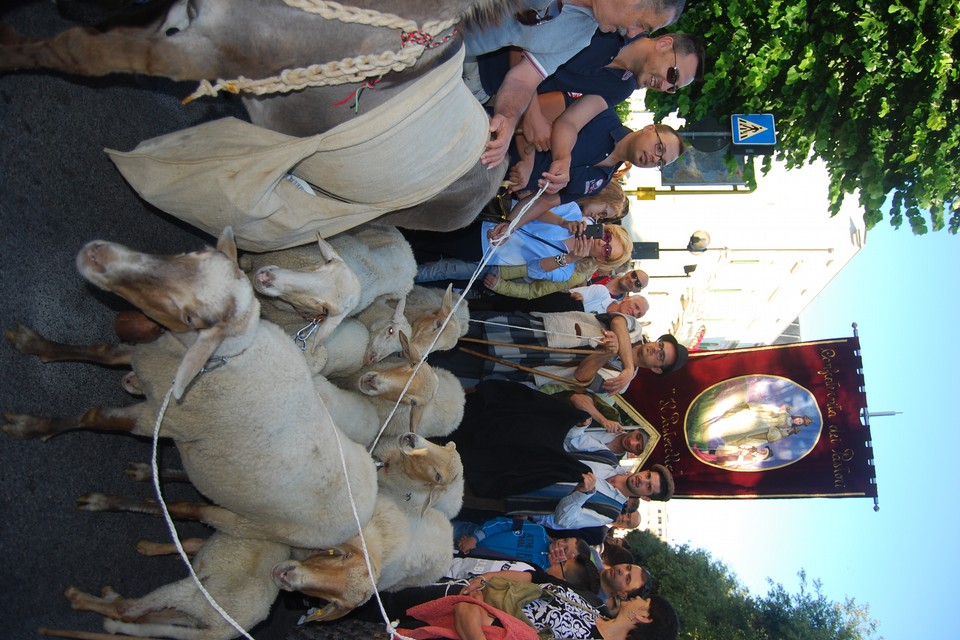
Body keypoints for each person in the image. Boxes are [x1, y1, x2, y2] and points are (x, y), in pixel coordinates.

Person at [464, 0, 688, 168]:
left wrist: (509, 117)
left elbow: (524, 78)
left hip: (454, 65)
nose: (631, 32)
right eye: (640, 22)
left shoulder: (583, 32)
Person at [409, 184, 632, 288]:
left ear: (603, 260)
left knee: (424, 247)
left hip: (487, 250)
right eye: (607, 236)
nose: (603, 243)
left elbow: (535, 268)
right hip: (489, 218)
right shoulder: (573, 212)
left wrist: (571, 257)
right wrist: (563, 222)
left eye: (607, 250)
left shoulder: (566, 271)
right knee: (424, 223)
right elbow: (534, 205)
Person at [701, 402, 813, 448]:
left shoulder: (787, 428)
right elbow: (772, 410)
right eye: (799, 419)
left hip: (762, 428)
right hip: (761, 418)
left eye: (800, 423)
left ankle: (713, 433)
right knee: (739, 418)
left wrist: (787, 433)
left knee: (741, 431)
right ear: (798, 417)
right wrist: (779, 409)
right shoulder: (785, 414)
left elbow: (778, 434)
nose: (798, 421)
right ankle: (716, 422)